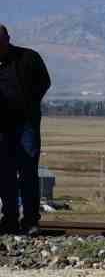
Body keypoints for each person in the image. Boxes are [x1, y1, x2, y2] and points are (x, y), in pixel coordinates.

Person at [0, 25, 52, 236]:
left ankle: (30, 221)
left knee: (28, 172)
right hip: (2, 127)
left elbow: (45, 82)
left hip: (26, 125)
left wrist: (29, 103)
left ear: (7, 39)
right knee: (5, 173)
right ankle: (10, 220)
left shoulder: (29, 58)